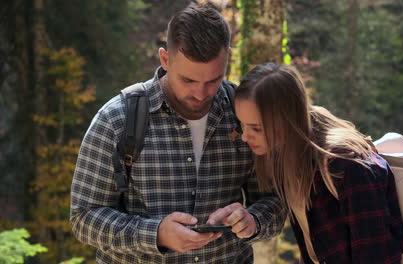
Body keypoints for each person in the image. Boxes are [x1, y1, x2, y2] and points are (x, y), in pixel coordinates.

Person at [70, 4, 285, 263]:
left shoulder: (243, 115)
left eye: (214, 80)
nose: (201, 93)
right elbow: (84, 218)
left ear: (227, 57)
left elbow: (275, 201)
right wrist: (155, 234)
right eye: (188, 80)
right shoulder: (117, 119)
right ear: (165, 59)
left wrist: (253, 221)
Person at [234, 63, 403, 264]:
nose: (245, 136)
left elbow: (378, 257)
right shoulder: (287, 159)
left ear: (286, 118)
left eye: (256, 128)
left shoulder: (346, 166)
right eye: (242, 124)